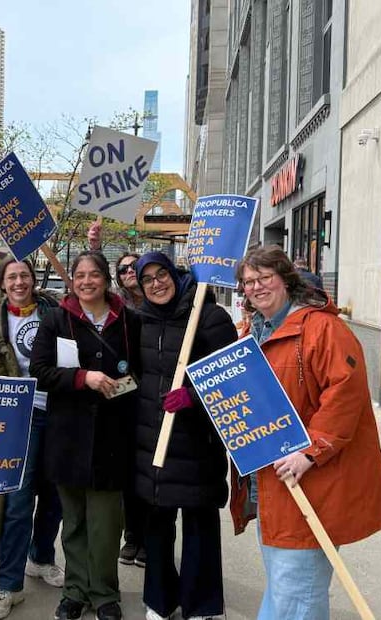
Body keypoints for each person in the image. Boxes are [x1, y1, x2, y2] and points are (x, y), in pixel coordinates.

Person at [231, 245, 381, 619]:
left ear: (285, 279)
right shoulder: (253, 331)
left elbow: (346, 397)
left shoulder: (322, 329)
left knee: (296, 593)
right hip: (269, 483)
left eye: (264, 278)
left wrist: (311, 450)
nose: (256, 287)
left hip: (309, 483)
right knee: (282, 583)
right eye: (249, 282)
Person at [30, 251, 140, 620]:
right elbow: (40, 370)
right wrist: (83, 378)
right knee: (73, 521)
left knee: (107, 524)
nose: (87, 281)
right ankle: (75, 589)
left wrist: (119, 386)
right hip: (68, 436)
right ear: (72, 280)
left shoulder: (129, 320)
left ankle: (105, 592)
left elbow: (141, 373)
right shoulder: (57, 319)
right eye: (80, 275)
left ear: (107, 279)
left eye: (94, 274)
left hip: (113, 436)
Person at [132, 252, 236, 620]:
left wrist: (194, 394)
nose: (157, 283)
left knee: (199, 527)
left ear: (176, 276)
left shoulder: (209, 318)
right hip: (153, 443)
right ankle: (160, 600)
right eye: (148, 279)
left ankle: (203, 604)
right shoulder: (140, 321)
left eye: (163, 275)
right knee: (157, 530)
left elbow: (232, 377)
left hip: (197, 444)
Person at [0, 256, 65, 618]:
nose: (18, 282)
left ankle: (42, 557)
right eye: (11, 276)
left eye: (24, 275)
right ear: (2, 283)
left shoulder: (52, 309)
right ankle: (8, 584)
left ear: (34, 279)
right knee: (17, 502)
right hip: (18, 416)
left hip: (58, 410)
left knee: (55, 493)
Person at [112, 251, 147, 569]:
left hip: (158, 398)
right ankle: (132, 536)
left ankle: (148, 537)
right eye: (122, 269)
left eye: (135, 267)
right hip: (126, 396)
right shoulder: (118, 307)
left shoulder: (162, 300)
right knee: (129, 475)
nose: (129, 272)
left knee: (152, 472)